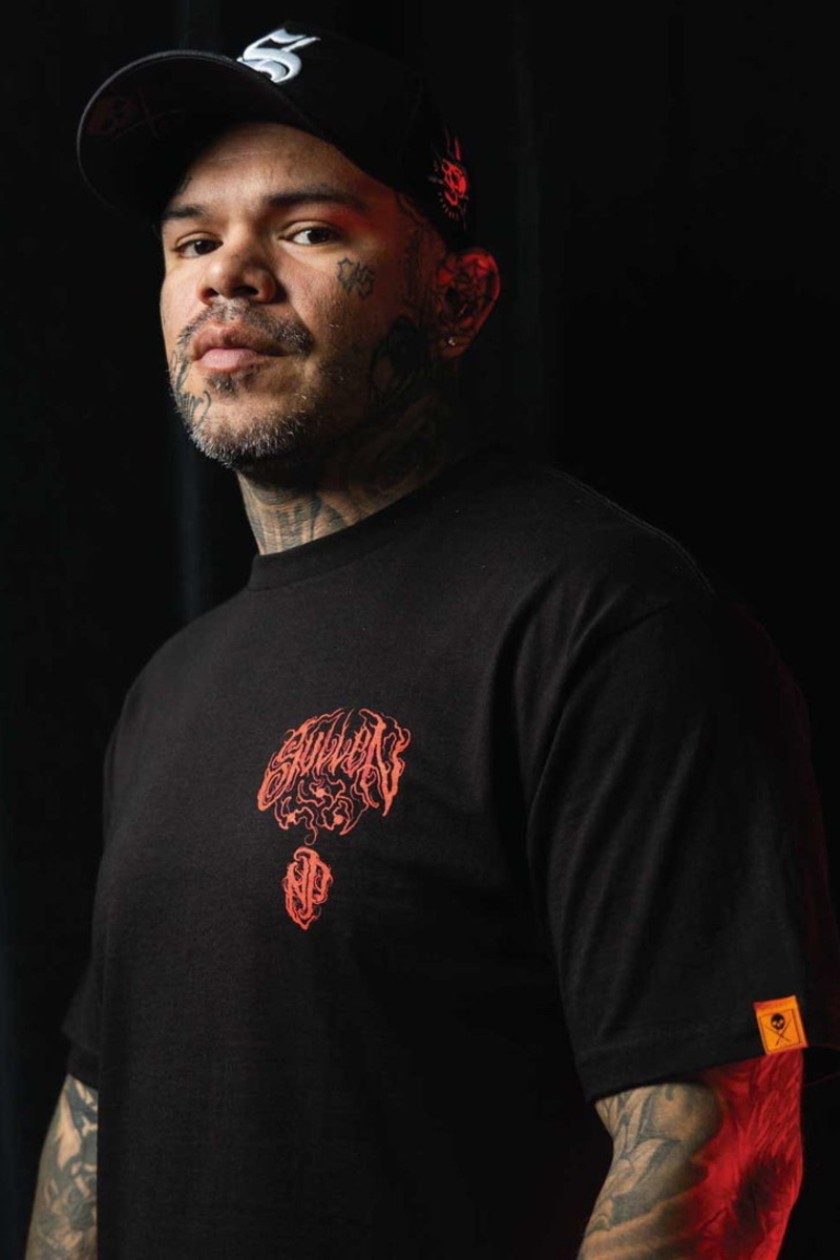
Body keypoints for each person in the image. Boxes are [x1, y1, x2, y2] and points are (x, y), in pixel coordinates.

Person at [25, 18, 840, 1260]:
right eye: (193, 241)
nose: (229, 274)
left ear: (458, 299)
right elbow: (98, 1116)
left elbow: (718, 1160)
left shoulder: (605, 622)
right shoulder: (171, 689)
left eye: (308, 231)